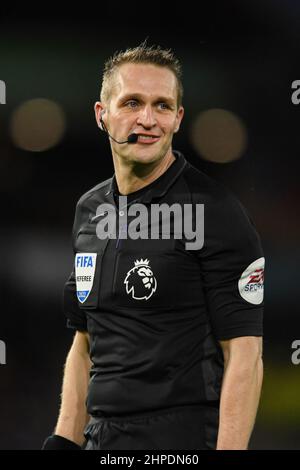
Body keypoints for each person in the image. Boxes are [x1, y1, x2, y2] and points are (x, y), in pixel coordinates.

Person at [42, 43, 265, 450]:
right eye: (132, 102)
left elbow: (245, 356)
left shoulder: (216, 212)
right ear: (101, 114)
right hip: (101, 441)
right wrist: (64, 440)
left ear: (178, 119)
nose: (148, 119)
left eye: (162, 106)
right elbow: (84, 342)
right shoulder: (89, 211)